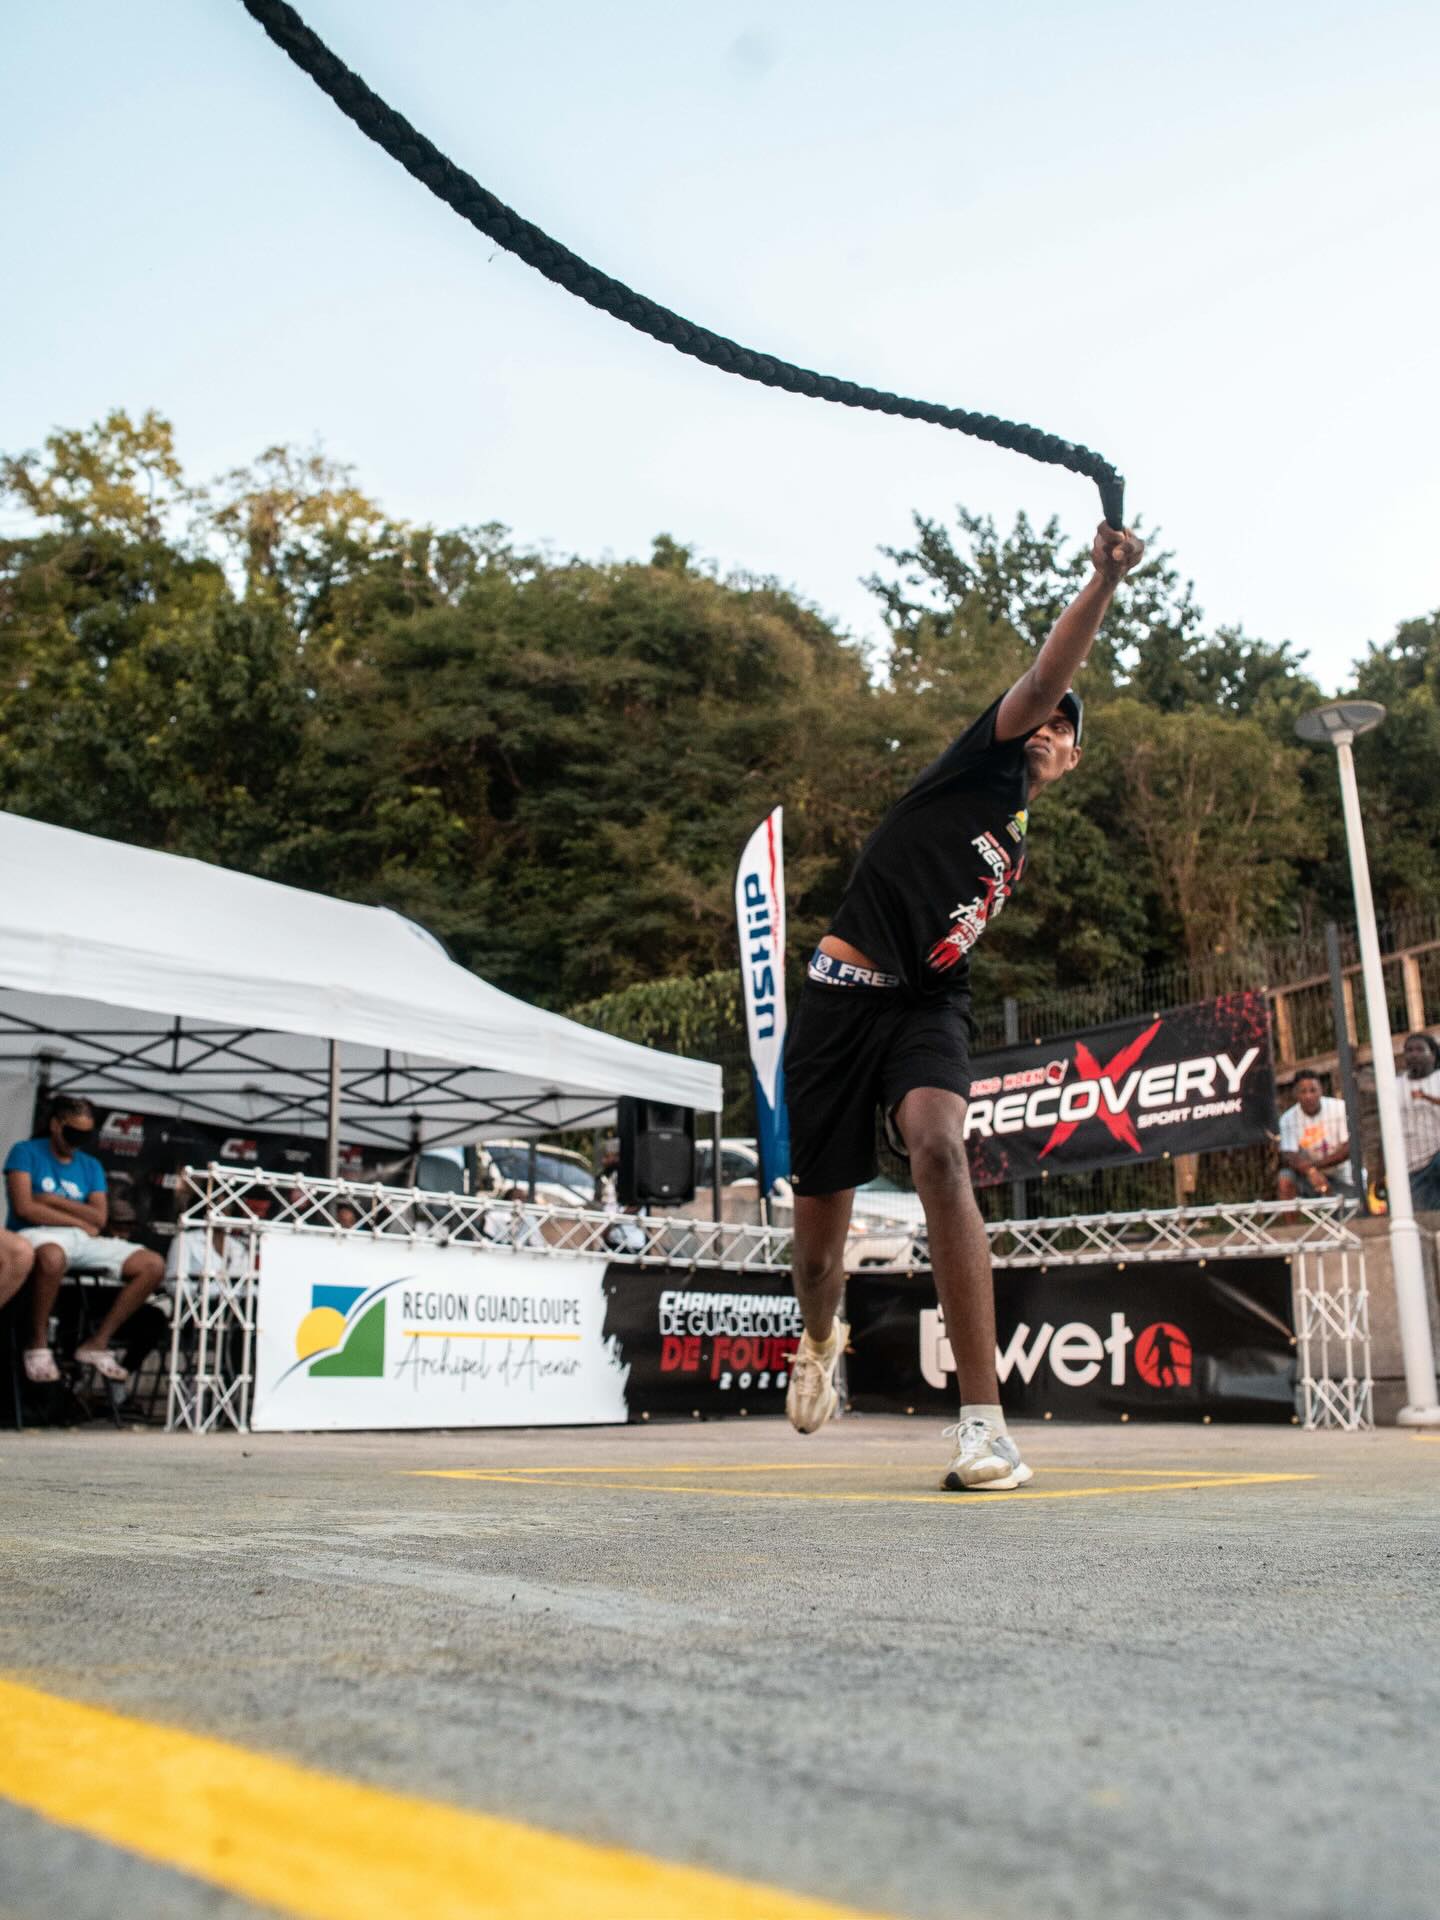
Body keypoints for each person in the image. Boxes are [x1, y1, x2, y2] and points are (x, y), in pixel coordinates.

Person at [783, 519, 1145, 1490]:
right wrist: (1101, 585)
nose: (1053, 729)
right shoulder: (981, 763)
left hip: (930, 1004)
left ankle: (985, 1430)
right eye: (1047, 717)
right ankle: (820, 1340)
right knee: (817, 1263)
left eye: (1071, 728)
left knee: (941, 1148)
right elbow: (1042, 676)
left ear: (1070, 760)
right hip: (838, 999)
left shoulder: (1018, 837)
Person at [5, 1095, 166, 1385]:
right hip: (35, 1234)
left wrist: (50, 1199)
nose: (77, 1141)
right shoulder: (25, 1152)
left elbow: (100, 1218)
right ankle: (38, 1343)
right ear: (56, 1125)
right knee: (52, 1256)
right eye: (72, 1133)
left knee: (152, 1264)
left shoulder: (90, 1165)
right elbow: (25, 1207)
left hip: (81, 1239)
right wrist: (80, 1217)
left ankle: (97, 1342)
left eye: (85, 1135)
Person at [1276, 1071, 1356, 1202]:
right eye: (1303, 1091)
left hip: (1341, 1172)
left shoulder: (1339, 1108)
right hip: (1308, 1176)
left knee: (1353, 1210)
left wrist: (1314, 1167)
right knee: (1285, 1178)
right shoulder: (1287, 1119)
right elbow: (1290, 1155)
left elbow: (1348, 1148)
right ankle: (1293, 1223)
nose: (1309, 1096)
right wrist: (1311, 1172)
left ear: (1321, 1090)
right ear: (1295, 1094)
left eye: (1313, 1090)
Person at [1398, 1032, 1440, 1213]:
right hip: (1414, 1165)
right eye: (1409, 1050)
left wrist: (1426, 1097)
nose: (1413, 1054)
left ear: (1433, 1055)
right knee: (1424, 1217)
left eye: (1419, 1050)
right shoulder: (1394, 1085)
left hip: (1438, 1155)